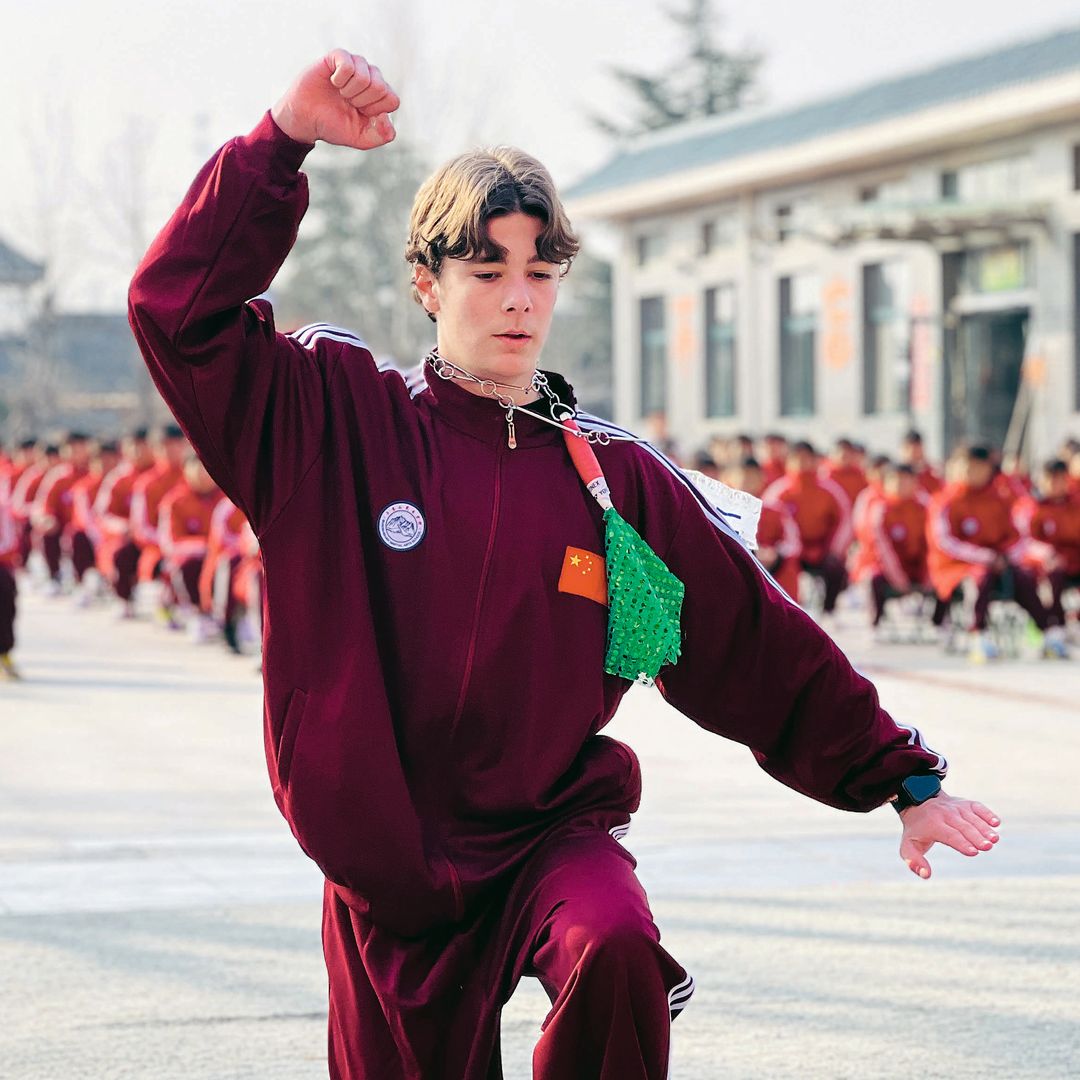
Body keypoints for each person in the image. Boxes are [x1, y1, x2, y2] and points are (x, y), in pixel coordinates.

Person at [128, 49, 1000, 1080]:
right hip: (387, 865)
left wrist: (902, 779)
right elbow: (177, 314)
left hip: (551, 835)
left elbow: (747, 642)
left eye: (540, 273)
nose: (517, 300)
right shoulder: (331, 424)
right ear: (427, 281)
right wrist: (281, 142)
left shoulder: (613, 483)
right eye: (487, 271)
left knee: (616, 945)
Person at [927, 445, 1055, 662]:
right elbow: (945, 542)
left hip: (997, 562)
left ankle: (1047, 633)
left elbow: (1017, 536)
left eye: (979, 468)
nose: (973, 473)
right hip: (956, 567)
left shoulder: (999, 498)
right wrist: (985, 557)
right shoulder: (945, 501)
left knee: (1024, 576)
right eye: (968, 467)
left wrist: (1005, 557)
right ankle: (978, 634)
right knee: (979, 578)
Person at [763, 440, 853, 617]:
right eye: (797, 459)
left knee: (836, 568)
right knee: (781, 568)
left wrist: (834, 550)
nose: (802, 464)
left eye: (807, 459)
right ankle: (786, 611)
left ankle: (828, 611)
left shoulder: (829, 489)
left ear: (815, 461)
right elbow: (768, 521)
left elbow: (845, 521)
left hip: (820, 549)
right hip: (792, 550)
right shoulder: (779, 491)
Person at [1014, 459, 1080, 650]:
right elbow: (1023, 540)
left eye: (1060, 479)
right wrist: (1045, 554)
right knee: (1053, 575)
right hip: (1042, 563)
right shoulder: (1031, 506)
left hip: (1073, 559)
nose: (1056, 484)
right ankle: (1054, 627)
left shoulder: (1075, 505)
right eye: (1051, 479)